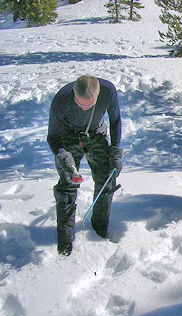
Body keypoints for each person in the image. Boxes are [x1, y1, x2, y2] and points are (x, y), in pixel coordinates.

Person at [47, 75, 123, 256]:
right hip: (68, 136)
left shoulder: (108, 91)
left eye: (88, 105)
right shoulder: (61, 100)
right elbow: (53, 137)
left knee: (106, 179)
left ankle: (99, 230)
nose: (83, 107)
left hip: (96, 134)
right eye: (79, 104)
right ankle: (65, 243)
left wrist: (115, 152)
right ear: (73, 91)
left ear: (98, 96)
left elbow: (115, 121)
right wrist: (63, 156)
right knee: (68, 183)